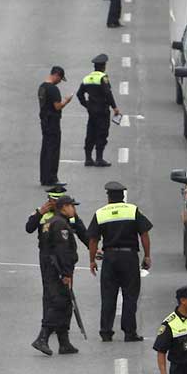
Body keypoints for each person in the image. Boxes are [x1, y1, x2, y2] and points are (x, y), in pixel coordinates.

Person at [87, 181, 152, 342]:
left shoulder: (101, 213)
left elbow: (93, 240)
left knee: (108, 295)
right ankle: (130, 332)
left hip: (109, 259)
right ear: (123, 196)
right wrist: (147, 255)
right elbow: (144, 234)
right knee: (130, 295)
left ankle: (106, 331)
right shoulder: (132, 210)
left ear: (108, 197)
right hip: (129, 258)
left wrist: (92, 260)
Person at [31, 195, 85, 356]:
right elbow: (62, 251)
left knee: (66, 303)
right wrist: (66, 273)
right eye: (71, 206)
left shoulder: (51, 221)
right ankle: (43, 337)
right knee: (59, 302)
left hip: (51, 268)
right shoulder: (60, 224)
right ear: (63, 207)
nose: (74, 210)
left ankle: (64, 342)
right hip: (57, 269)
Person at [76, 54, 121, 167]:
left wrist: (86, 105)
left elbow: (79, 94)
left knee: (90, 133)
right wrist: (114, 107)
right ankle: (99, 159)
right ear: (104, 66)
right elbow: (107, 93)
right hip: (102, 111)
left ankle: (88, 158)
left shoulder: (87, 78)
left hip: (92, 111)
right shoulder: (103, 77)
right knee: (102, 133)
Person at [38, 66, 73, 185]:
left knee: (45, 150)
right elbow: (57, 106)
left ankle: (44, 177)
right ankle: (52, 178)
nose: (59, 81)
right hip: (53, 122)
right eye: (60, 78)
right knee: (53, 150)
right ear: (56, 75)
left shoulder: (42, 87)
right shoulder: (53, 89)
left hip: (44, 121)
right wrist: (66, 101)